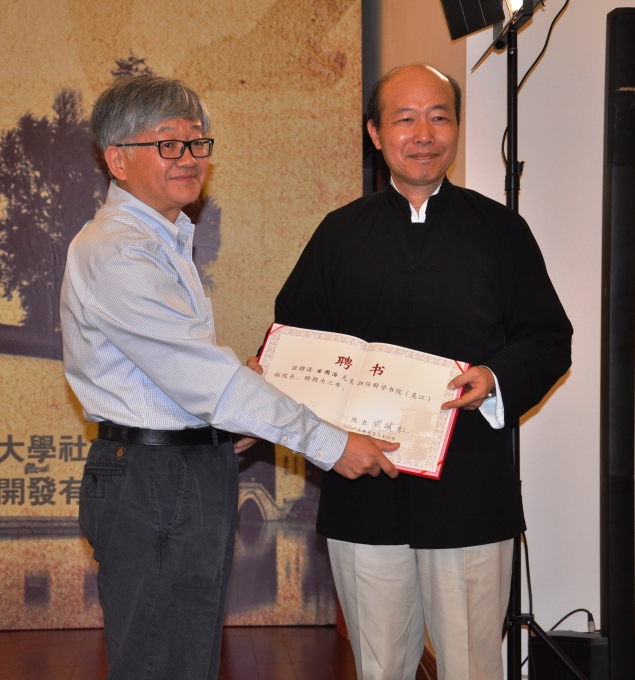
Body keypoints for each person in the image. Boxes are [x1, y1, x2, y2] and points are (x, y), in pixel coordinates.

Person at [59, 74, 399, 680]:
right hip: (154, 479)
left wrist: (219, 424)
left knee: (185, 657)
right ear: (117, 160)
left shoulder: (159, 237)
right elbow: (206, 382)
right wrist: (330, 444)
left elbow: (181, 376)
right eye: (168, 143)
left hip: (178, 469)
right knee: (161, 662)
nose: (189, 158)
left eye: (197, 142)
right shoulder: (119, 250)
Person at [253, 64, 573, 680]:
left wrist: (494, 378)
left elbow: (548, 337)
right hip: (363, 485)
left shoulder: (501, 231)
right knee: (379, 666)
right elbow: (296, 343)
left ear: (456, 127)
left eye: (439, 117)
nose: (424, 135)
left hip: (469, 487)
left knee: (472, 666)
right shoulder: (339, 234)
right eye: (405, 119)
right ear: (375, 133)